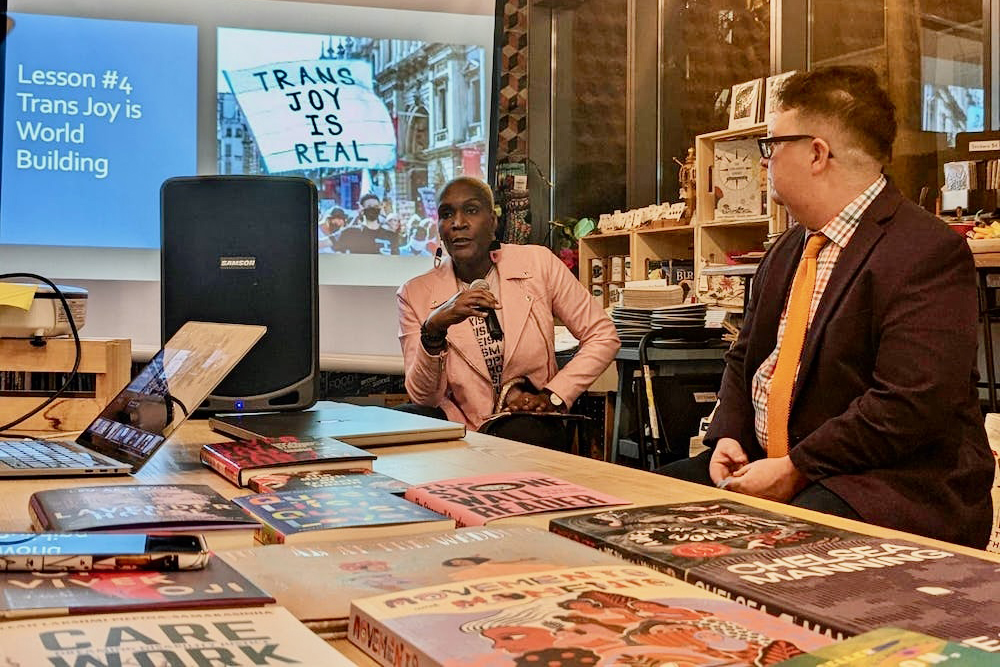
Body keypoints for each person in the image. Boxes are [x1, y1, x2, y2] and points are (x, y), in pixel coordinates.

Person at [658, 66, 994, 549]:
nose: (764, 162)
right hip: (774, 463)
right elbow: (745, 355)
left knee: (764, 543)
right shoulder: (788, 248)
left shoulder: (926, 251)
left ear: (817, 153)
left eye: (771, 147)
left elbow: (907, 405)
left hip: (883, 485)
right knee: (639, 505)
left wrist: (796, 469)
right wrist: (727, 435)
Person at [396, 176, 620, 447]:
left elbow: (603, 335)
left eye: (471, 210)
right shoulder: (415, 293)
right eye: (447, 214)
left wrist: (555, 395)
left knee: (519, 437)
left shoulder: (538, 264)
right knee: (396, 424)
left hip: (529, 421)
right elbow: (424, 398)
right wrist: (433, 330)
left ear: (492, 223)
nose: (458, 223)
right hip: (458, 425)